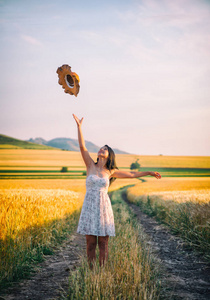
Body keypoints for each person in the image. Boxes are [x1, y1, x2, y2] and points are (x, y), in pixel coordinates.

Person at [73, 114, 161, 269]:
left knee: (104, 243)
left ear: (109, 155)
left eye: (105, 149)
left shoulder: (111, 171)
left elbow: (132, 174)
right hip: (89, 206)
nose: (102, 149)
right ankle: (92, 272)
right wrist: (79, 127)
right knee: (90, 243)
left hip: (103, 207)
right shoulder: (89, 165)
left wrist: (148, 172)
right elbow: (82, 147)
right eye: (101, 147)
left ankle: (102, 272)